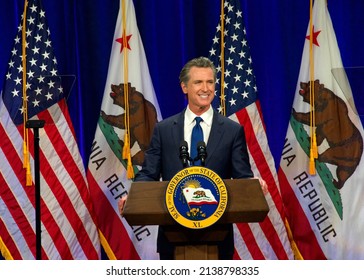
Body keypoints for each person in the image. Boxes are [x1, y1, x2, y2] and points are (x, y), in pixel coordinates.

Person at [119, 56, 267, 260]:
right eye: (198, 82)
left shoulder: (233, 131)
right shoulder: (163, 130)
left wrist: (253, 185)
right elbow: (149, 173)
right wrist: (133, 197)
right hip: (173, 235)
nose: (205, 88)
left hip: (218, 236)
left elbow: (242, 176)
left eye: (210, 82)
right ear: (184, 87)